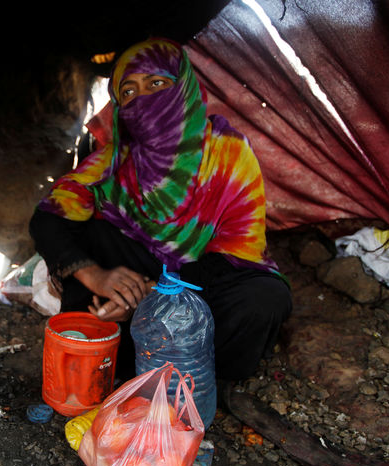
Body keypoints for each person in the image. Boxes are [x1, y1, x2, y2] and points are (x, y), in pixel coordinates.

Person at [29, 37, 292, 382]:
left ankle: (199, 384)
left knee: (263, 298)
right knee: (90, 237)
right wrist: (97, 276)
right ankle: (115, 372)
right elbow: (48, 218)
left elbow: (234, 254)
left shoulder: (227, 152)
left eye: (156, 83)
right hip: (135, 278)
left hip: (201, 279)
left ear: (182, 87)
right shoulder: (115, 160)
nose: (143, 99)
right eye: (129, 92)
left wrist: (153, 296)